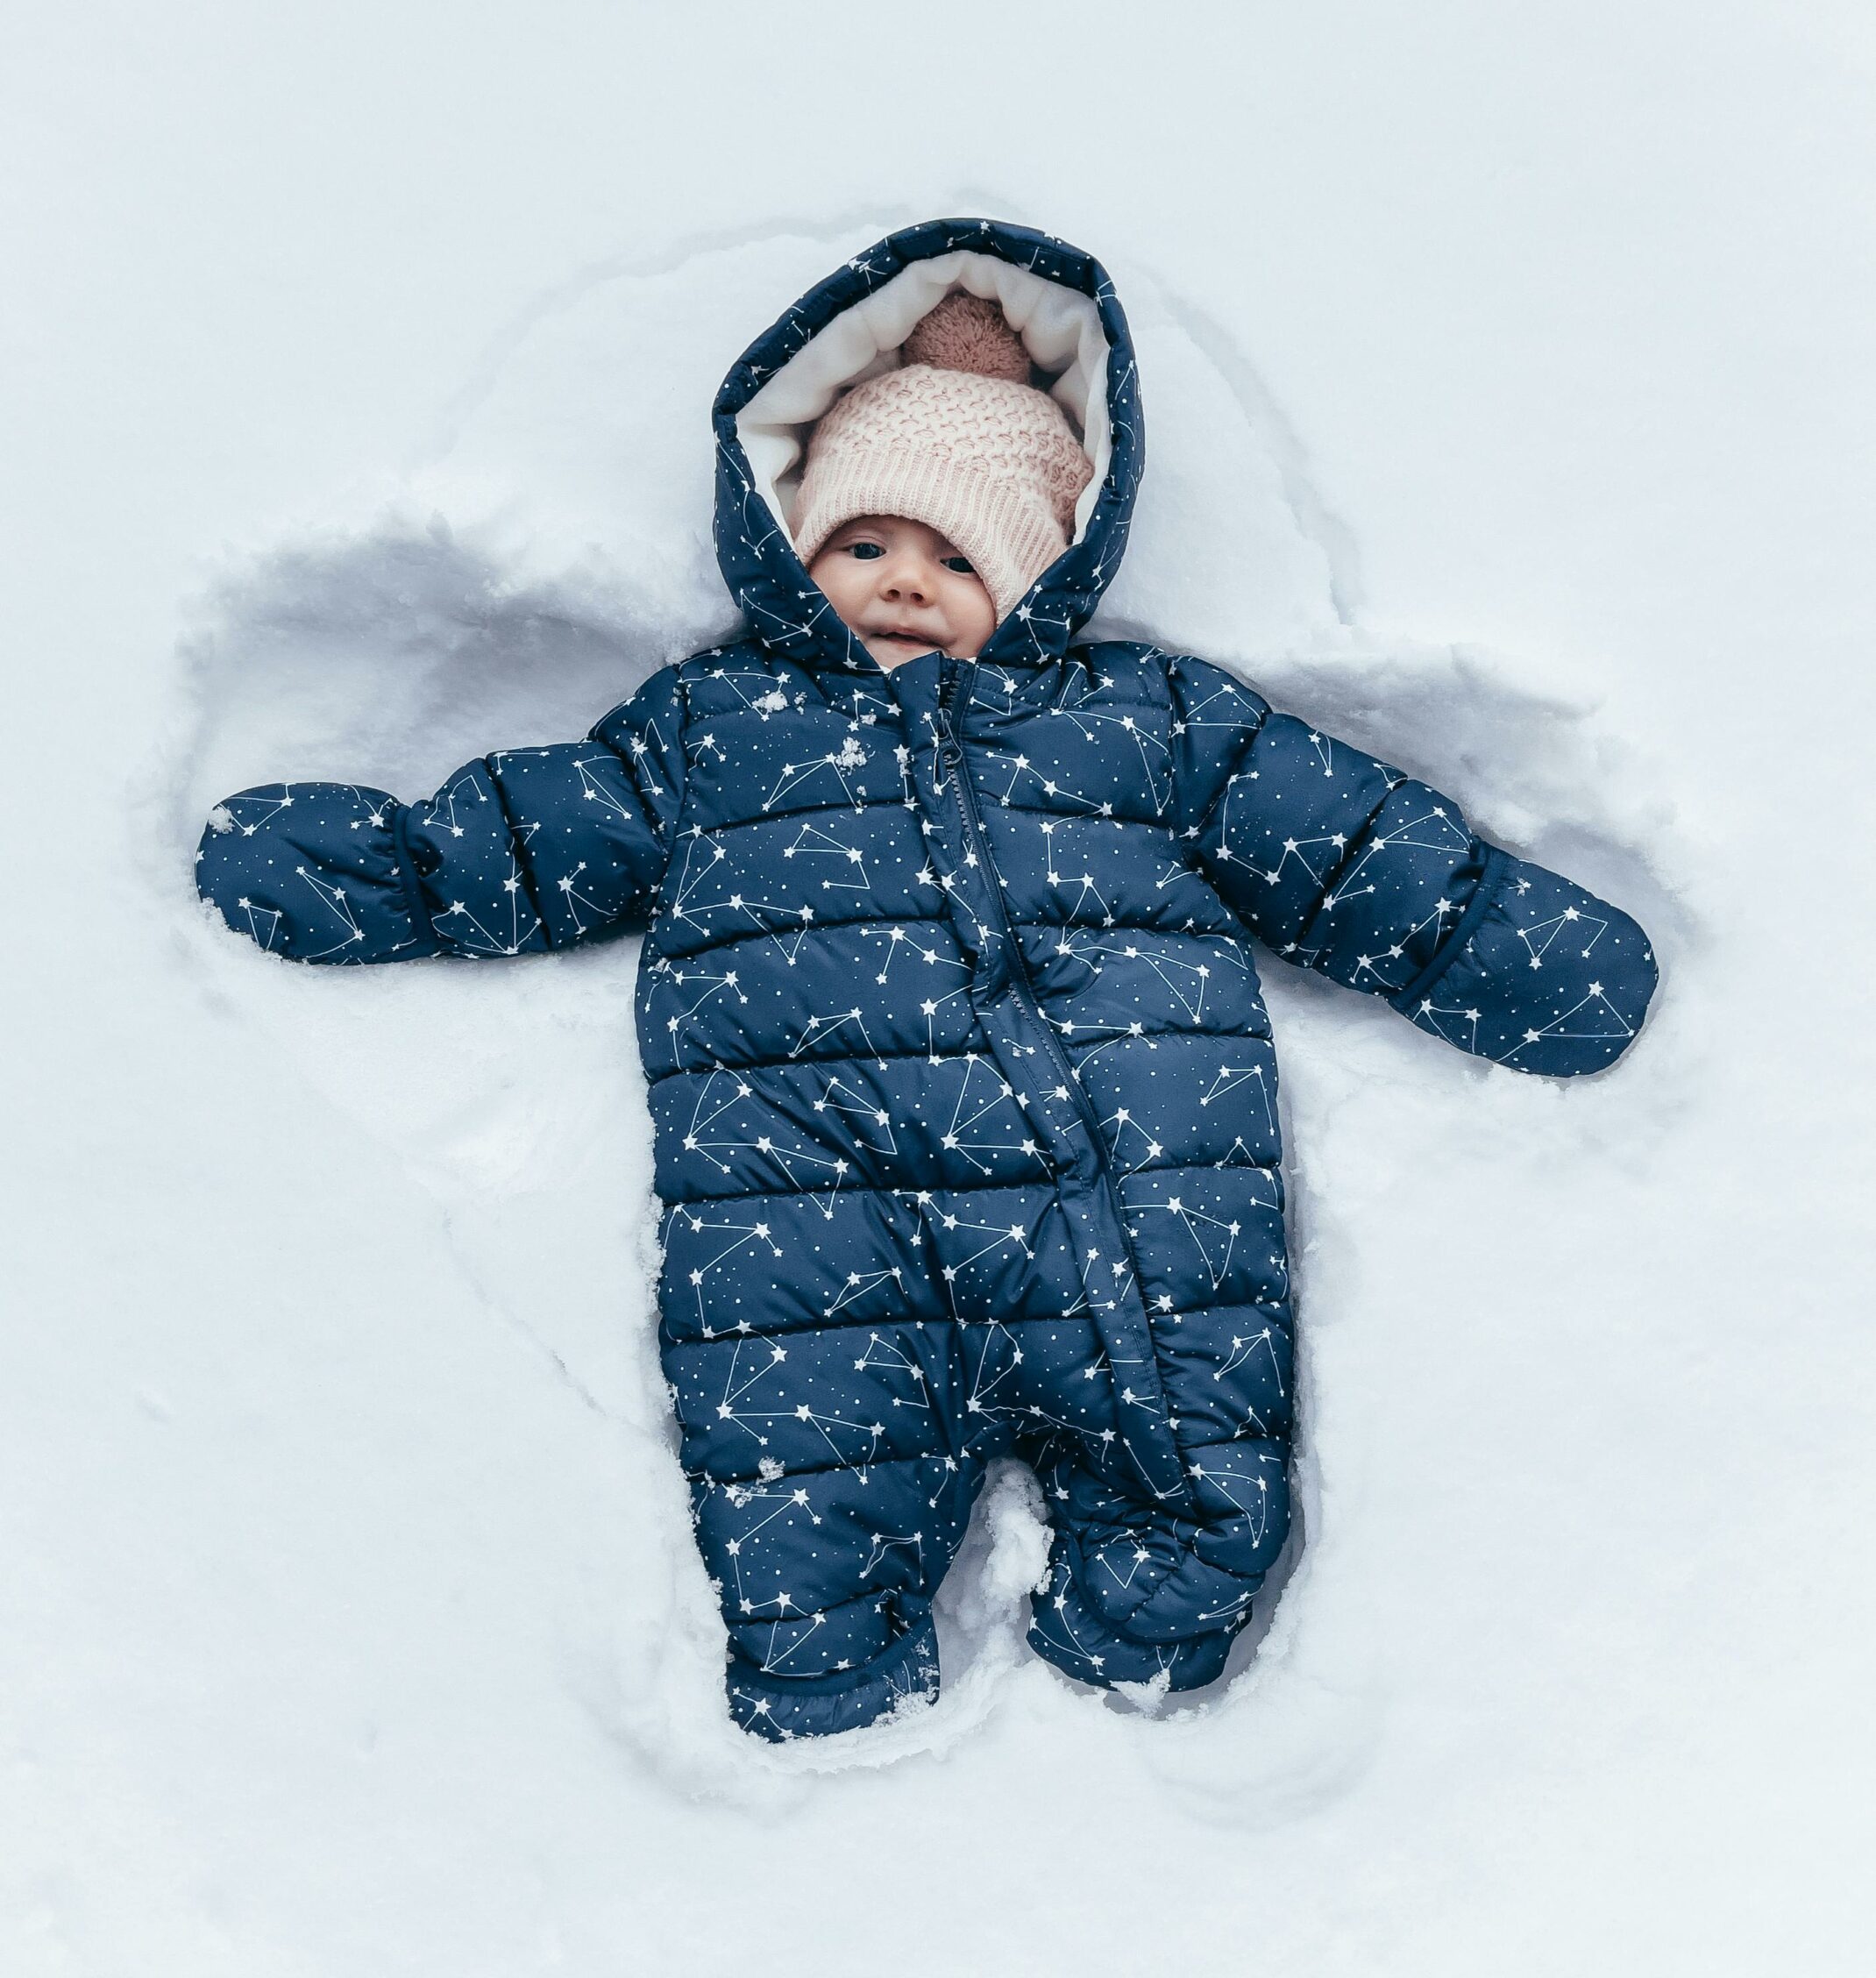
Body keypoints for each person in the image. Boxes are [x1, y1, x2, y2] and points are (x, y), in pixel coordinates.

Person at [196, 220, 1658, 1740]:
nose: (904, 582)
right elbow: (528, 838)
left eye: (958, 553)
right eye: (864, 543)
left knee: (1190, 1473)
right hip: (818, 1234)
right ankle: (831, 1729)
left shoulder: (1142, 720)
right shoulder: (718, 733)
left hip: (1128, 1210)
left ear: (1038, 572)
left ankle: (1135, 1684)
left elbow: (1346, 849)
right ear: (789, 544)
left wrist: (1513, 955)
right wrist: (373, 870)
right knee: (806, 1510)